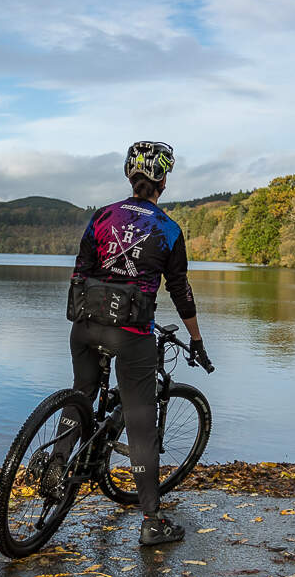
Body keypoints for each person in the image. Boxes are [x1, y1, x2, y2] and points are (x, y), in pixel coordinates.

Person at [64, 141, 212, 547]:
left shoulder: (102, 216)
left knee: (82, 394)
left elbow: (81, 272)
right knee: (141, 424)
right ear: (162, 180)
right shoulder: (166, 228)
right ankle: (152, 521)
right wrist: (196, 340)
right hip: (131, 335)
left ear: (130, 176)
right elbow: (180, 290)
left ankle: (55, 468)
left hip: (85, 325)